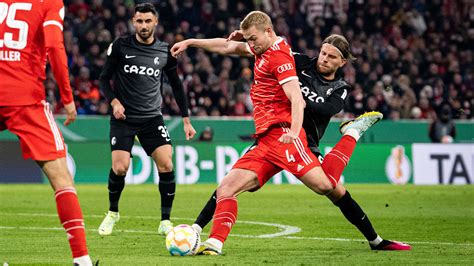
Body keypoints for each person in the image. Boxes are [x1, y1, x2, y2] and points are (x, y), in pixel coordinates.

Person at [171, 11, 384, 255]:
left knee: (327, 186)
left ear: (268, 32)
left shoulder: (285, 61)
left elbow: (296, 98)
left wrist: (294, 132)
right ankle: (214, 243)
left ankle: (352, 134)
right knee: (226, 188)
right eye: (248, 40)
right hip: (266, 139)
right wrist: (191, 42)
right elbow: (229, 46)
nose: (250, 45)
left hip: (287, 136)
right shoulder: (273, 51)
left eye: (253, 39)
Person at [0, 1, 92, 265]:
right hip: (24, 97)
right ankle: (81, 259)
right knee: (62, 178)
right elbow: (54, 45)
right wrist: (67, 96)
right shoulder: (48, 3)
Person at [98, 3, 196, 236]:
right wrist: (114, 101)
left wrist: (186, 118)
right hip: (124, 118)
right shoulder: (121, 46)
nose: (143, 25)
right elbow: (103, 79)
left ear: (155, 22)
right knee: (120, 168)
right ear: (133, 21)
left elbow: (176, 85)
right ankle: (112, 213)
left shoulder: (165, 51)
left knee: (167, 164)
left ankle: (165, 221)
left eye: (148, 21)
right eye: (139, 21)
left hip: (152, 118)